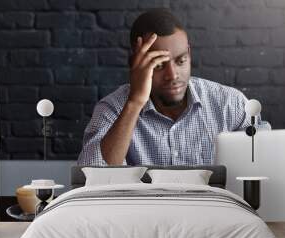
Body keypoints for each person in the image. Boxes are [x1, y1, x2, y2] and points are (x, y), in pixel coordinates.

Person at [78, 8, 270, 166]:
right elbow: (90, 177)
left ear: (189, 53)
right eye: (159, 65)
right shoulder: (112, 110)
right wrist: (135, 102)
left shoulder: (231, 104)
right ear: (136, 65)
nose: (172, 75)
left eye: (180, 60)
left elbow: (266, 163)